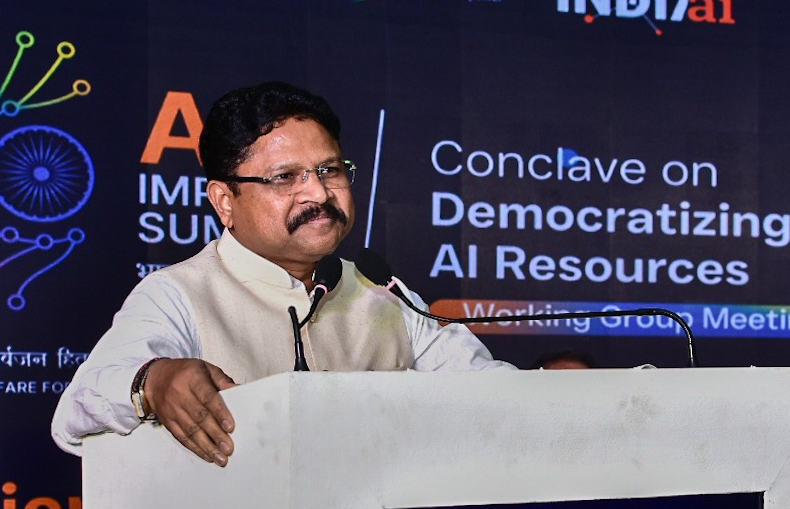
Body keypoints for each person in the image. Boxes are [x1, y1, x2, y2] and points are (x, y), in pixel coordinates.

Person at [51, 81, 515, 464]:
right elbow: (74, 413)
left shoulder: (383, 292)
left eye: (329, 170)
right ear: (225, 202)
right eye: (285, 177)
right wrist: (152, 381)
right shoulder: (179, 293)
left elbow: (490, 393)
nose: (319, 193)